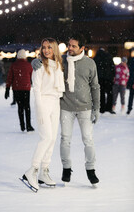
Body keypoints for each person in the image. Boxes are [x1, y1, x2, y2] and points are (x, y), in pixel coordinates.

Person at [32, 34, 100, 186]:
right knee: (64, 139)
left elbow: (95, 86)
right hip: (66, 107)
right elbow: (46, 59)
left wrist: (97, 108)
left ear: (82, 48)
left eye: (73, 46)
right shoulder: (62, 61)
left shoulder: (90, 63)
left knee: (88, 139)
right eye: (69, 45)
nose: (69, 48)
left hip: (85, 107)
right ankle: (66, 169)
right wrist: (34, 60)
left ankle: (91, 170)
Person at [21, 38, 65, 192]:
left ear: (54, 49)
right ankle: (32, 170)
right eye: (44, 47)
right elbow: (37, 90)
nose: (46, 50)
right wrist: (40, 109)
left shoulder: (58, 65)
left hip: (55, 103)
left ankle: (44, 171)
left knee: (52, 138)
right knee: (45, 137)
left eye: (49, 47)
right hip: (44, 103)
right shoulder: (39, 66)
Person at [4, 49, 34, 132]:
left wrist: (7, 88)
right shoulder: (29, 65)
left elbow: (10, 77)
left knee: (20, 107)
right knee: (27, 107)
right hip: (26, 88)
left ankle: (22, 125)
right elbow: (32, 76)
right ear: (25, 56)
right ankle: (28, 125)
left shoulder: (14, 65)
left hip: (16, 88)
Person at [94, 48, 115, 114]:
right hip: (108, 78)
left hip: (100, 78)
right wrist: (112, 75)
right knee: (110, 93)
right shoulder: (108, 56)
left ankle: (101, 108)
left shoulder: (96, 58)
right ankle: (109, 107)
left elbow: (94, 69)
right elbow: (112, 67)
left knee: (101, 93)